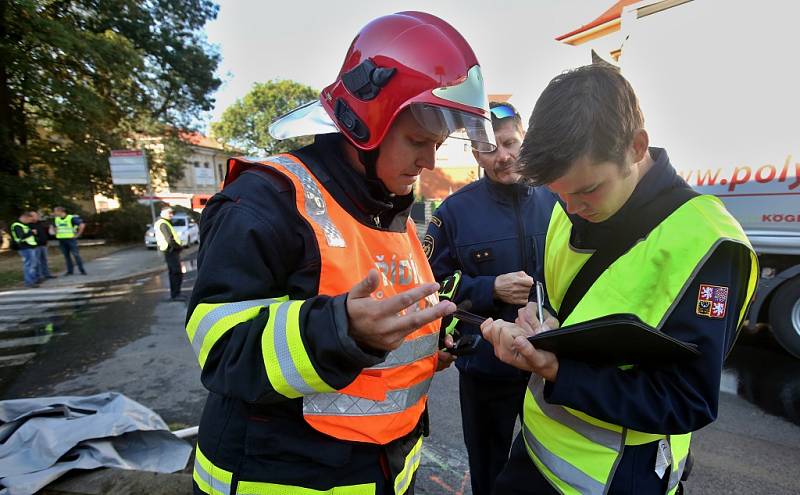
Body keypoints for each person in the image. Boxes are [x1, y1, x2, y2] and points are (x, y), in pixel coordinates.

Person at [186, 12, 497, 495]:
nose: (430, 161)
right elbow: (221, 351)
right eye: (418, 141)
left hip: (385, 471)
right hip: (282, 478)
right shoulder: (263, 203)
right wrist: (339, 332)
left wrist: (433, 342)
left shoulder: (388, 209)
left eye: (436, 144)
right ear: (364, 124)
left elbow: (388, 328)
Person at [480, 64, 758, 495]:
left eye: (588, 190)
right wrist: (540, 322)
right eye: (559, 193)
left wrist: (557, 368)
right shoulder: (565, 207)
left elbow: (688, 399)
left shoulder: (709, 245)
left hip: (616, 479)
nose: (571, 208)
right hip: (531, 457)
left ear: (636, 147)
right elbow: (559, 301)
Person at [423, 101, 556, 495]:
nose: (504, 157)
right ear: (475, 153)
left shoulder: (560, 201)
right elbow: (431, 287)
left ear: (524, 137)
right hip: (485, 366)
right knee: (489, 472)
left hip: (551, 367)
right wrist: (487, 287)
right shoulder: (454, 213)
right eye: (489, 149)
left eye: (510, 143)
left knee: (550, 470)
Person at [155, 207, 185, 302]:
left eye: (172, 213)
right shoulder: (163, 223)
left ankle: (176, 294)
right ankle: (176, 294)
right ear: (163, 213)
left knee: (174, 273)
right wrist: (178, 247)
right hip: (170, 251)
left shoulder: (163, 222)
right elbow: (169, 239)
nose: (171, 215)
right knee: (176, 273)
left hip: (170, 251)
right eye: (170, 213)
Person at [51, 206, 86, 276]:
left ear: (60, 211)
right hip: (61, 240)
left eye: (55, 211)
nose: (54, 213)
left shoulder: (71, 218)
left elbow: (82, 225)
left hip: (71, 239)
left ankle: (82, 270)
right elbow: (54, 227)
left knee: (76, 255)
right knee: (66, 256)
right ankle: (70, 271)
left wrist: (78, 235)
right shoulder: (56, 219)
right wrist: (55, 233)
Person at [10, 212, 40, 288]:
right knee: (29, 264)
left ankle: (33, 280)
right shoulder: (17, 225)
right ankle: (29, 282)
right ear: (24, 217)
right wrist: (31, 232)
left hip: (30, 247)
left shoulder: (24, 225)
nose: (29, 221)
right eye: (29, 219)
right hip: (25, 247)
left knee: (32, 264)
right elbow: (21, 237)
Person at [31, 211, 56, 281]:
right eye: (34, 216)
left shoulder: (40, 223)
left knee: (44, 260)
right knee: (37, 261)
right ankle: (38, 276)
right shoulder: (29, 225)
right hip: (36, 246)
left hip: (44, 245)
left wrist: (47, 241)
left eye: (36, 215)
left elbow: (45, 233)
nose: (36, 217)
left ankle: (46, 274)